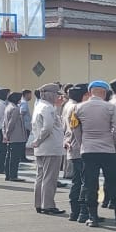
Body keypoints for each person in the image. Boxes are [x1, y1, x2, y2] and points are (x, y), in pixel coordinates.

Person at [72, 81, 116, 228]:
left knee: (90, 184)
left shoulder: (78, 108)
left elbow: (75, 129)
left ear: (90, 92)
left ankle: (92, 216)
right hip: (108, 149)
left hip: (88, 150)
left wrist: (82, 144)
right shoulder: (110, 107)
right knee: (114, 183)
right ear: (105, 92)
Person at [31, 83, 66, 215]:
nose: (59, 97)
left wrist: (37, 141)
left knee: (41, 176)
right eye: (57, 94)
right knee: (50, 178)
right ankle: (48, 205)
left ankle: (39, 203)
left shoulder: (39, 106)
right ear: (51, 95)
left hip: (41, 148)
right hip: (50, 147)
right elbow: (48, 127)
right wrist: (39, 140)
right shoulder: (48, 108)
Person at [63, 84, 87, 222]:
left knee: (77, 181)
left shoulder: (68, 105)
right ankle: (82, 212)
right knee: (84, 181)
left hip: (72, 146)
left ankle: (75, 212)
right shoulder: (76, 108)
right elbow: (76, 130)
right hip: (79, 148)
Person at [2, 92, 27, 182]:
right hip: (16, 136)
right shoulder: (15, 108)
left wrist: (5, 134)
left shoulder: (8, 107)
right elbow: (11, 123)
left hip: (11, 136)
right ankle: (13, 175)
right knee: (14, 158)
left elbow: (4, 123)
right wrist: (8, 133)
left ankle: (8, 175)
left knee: (9, 156)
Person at [18, 89, 34, 162]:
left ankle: (21, 157)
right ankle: (22, 157)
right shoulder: (24, 103)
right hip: (25, 126)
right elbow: (22, 113)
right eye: (30, 95)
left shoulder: (22, 102)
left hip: (23, 126)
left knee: (22, 142)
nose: (31, 97)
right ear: (26, 95)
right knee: (23, 142)